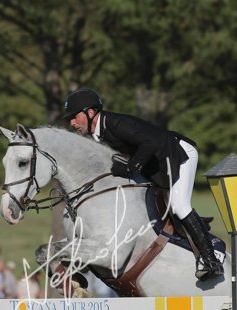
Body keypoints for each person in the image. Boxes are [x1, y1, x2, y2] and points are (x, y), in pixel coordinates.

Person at [63, 88, 223, 280]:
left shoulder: (116, 123)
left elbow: (149, 143)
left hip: (177, 153)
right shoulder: (96, 136)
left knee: (179, 205)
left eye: (74, 117)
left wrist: (131, 167)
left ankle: (211, 261)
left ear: (90, 112)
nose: (72, 123)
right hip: (155, 164)